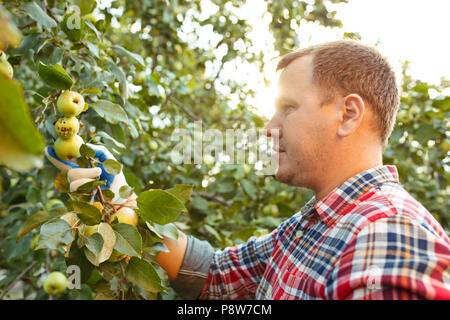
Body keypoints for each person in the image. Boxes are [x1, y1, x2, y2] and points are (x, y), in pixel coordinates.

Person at [45, 40, 450, 300]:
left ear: (347, 115)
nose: (269, 128)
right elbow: (214, 275)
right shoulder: (309, 226)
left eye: (288, 108)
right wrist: (118, 198)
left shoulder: (387, 231)